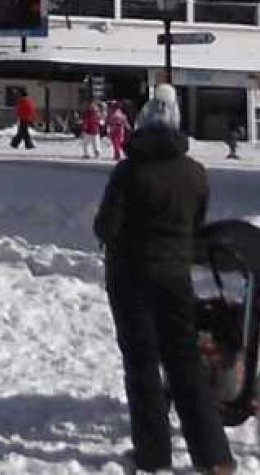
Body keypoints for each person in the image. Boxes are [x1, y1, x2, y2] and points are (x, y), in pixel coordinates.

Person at [93, 84, 235, 475]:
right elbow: (197, 224)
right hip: (175, 275)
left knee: (142, 364)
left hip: (131, 277)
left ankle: (153, 456)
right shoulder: (195, 172)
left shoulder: (128, 171)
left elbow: (106, 226)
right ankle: (215, 457)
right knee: (185, 362)